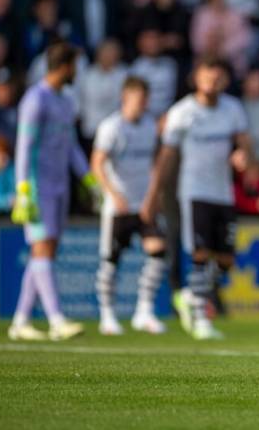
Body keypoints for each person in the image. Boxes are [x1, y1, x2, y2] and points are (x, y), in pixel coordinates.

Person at [144, 58, 253, 341]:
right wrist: (153, 194)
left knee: (226, 260)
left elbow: (244, 144)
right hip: (194, 192)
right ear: (196, 78)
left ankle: (192, 294)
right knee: (200, 255)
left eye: (217, 77)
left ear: (224, 81)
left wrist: (243, 158)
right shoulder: (182, 112)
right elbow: (166, 156)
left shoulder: (233, 108)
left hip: (223, 192)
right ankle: (202, 318)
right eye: (207, 76)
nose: (212, 82)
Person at [8, 42, 99, 341]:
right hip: (37, 187)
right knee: (42, 249)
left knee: (46, 252)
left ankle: (20, 321)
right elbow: (24, 147)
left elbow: (71, 144)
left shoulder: (66, 100)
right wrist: (23, 189)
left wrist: (87, 179)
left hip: (59, 185)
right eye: (75, 66)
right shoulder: (35, 100)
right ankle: (57, 320)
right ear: (64, 66)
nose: (77, 73)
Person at [91, 77, 167, 336]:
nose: (141, 105)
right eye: (137, 99)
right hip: (118, 206)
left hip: (143, 203)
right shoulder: (111, 127)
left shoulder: (149, 125)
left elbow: (156, 163)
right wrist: (113, 195)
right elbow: (97, 163)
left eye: (145, 100)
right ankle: (107, 315)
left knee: (158, 252)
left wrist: (152, 198)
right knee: (111, 261)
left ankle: (144, 311)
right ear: (125, 98)